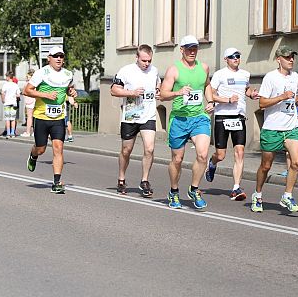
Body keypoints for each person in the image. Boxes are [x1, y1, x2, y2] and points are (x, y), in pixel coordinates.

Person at [159, 35, 214, 209]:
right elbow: (162, 94)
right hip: (179, 119)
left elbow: (206, 85)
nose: (192, 52)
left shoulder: (203, 67)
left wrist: (210, 101)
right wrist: (178, 92)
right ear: (181, 49)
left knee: (203, 154)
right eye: (189, 48)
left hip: (199, 117)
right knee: (177, 159)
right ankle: (174, 192)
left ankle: (194, 189)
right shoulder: (173, 70)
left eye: (195, 48)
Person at [251, 45, 298, 213]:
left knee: (296, 162)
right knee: (266, 166)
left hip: (291, 126)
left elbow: (293, 95)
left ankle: (287, 195)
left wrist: (297, 101)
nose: (291, 60)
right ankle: (257, 195)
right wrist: (282, 97)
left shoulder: (296, 77)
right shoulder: (270, 78)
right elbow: (262, 103)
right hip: (272, 128)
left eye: (292, 57)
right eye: (287, 57)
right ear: (278, 59)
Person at [205, 47, 259, 201]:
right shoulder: (220, 75)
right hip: (222, 116)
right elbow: (211, 94)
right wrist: (227, 100)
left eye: (238, 56)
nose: (236, 58)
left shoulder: (245, 74)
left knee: (240, 152)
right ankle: (212, 163)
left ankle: (236, 187)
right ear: (226, 59)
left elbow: (246, 90)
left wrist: (252, 94)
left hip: (239, 117)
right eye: (232, 56)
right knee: (221, 155)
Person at [24, 46, 77, 193]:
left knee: (58, 148)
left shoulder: (68, 74)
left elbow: (69, 89)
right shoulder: (42, 73)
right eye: (55, 56)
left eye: (61, 56)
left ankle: (57, 182)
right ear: (49, 58)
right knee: (41, 149)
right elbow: (26, 90)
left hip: (58, 117)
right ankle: (33, 155)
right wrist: (46, 95)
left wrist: (72, 92)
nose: (59, 58)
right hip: (41, 116)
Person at [110, 44, 161, 196]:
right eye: (144, 60)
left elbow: (158, 83)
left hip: (148, 116)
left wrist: (158, 90)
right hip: (131, 116)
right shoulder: (126, 71)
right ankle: (121, 178)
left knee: (150, 148)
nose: (146, 64)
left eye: (149, 61)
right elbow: (113, 90)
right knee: (126, 150)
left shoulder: (154, 70)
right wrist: (131, 92)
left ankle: (144, 181)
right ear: (137, 58)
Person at [1, 70, 20, 138]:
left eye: (6, 76)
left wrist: (3, 100)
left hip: (7, 103)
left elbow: (3, 93)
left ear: (8, 77)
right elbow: (18, 95)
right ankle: (12, 132)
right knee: (13, 119)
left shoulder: (5, 85)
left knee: (7, 119)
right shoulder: (16, 85)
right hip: (13, 103)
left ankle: (8, 133)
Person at [21, 69, 36, 137]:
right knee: (35, 117)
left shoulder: (28, 84)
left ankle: (28, 132)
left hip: (29, 101)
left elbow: (24, 92)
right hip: (36, 101)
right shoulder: (36, 83)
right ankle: (35, 132)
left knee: (29, 117)